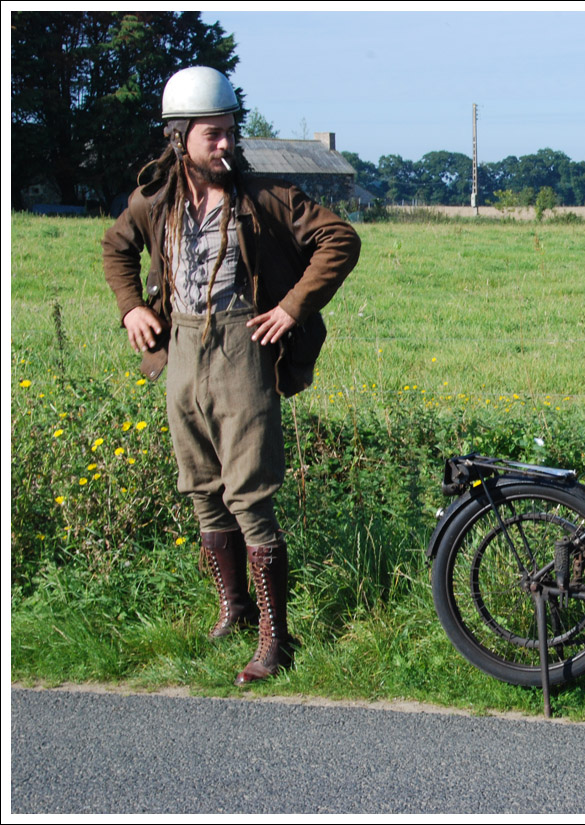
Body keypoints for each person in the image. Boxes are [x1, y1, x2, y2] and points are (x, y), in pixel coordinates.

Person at [102, 66, 360, 685]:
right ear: (179, 137)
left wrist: (292, 306)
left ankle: (278, 637)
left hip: (245, 350)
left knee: (250, 496)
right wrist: (133, 306)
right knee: (201, 488)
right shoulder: (155, 199)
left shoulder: (267, 197)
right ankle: (234, 609)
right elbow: (115, 248)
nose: (226, 146)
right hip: (181, 349)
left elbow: (339, 240)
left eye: (230, 133)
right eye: (212, 135)